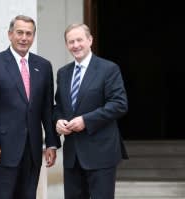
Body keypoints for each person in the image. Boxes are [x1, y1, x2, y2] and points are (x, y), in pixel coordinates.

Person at [0, 15, 61, 199]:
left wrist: (52, 143)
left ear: (33, 36)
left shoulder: (44, 66)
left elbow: (46, 109)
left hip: (32, 151)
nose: (24, 38)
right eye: (20, 32)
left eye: (29, 34)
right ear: (10, 34)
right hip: (1, 151)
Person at [54, 23, 128, 199]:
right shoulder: (63, 73)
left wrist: (86, 120)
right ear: (66, 45)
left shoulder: (108, 69)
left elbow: (119, 104)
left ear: (90, 40)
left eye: (80, 40)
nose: (76, 45)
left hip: (101, 153)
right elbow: (59, 107)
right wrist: (58, 121)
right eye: (71, 41)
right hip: (72, 156)